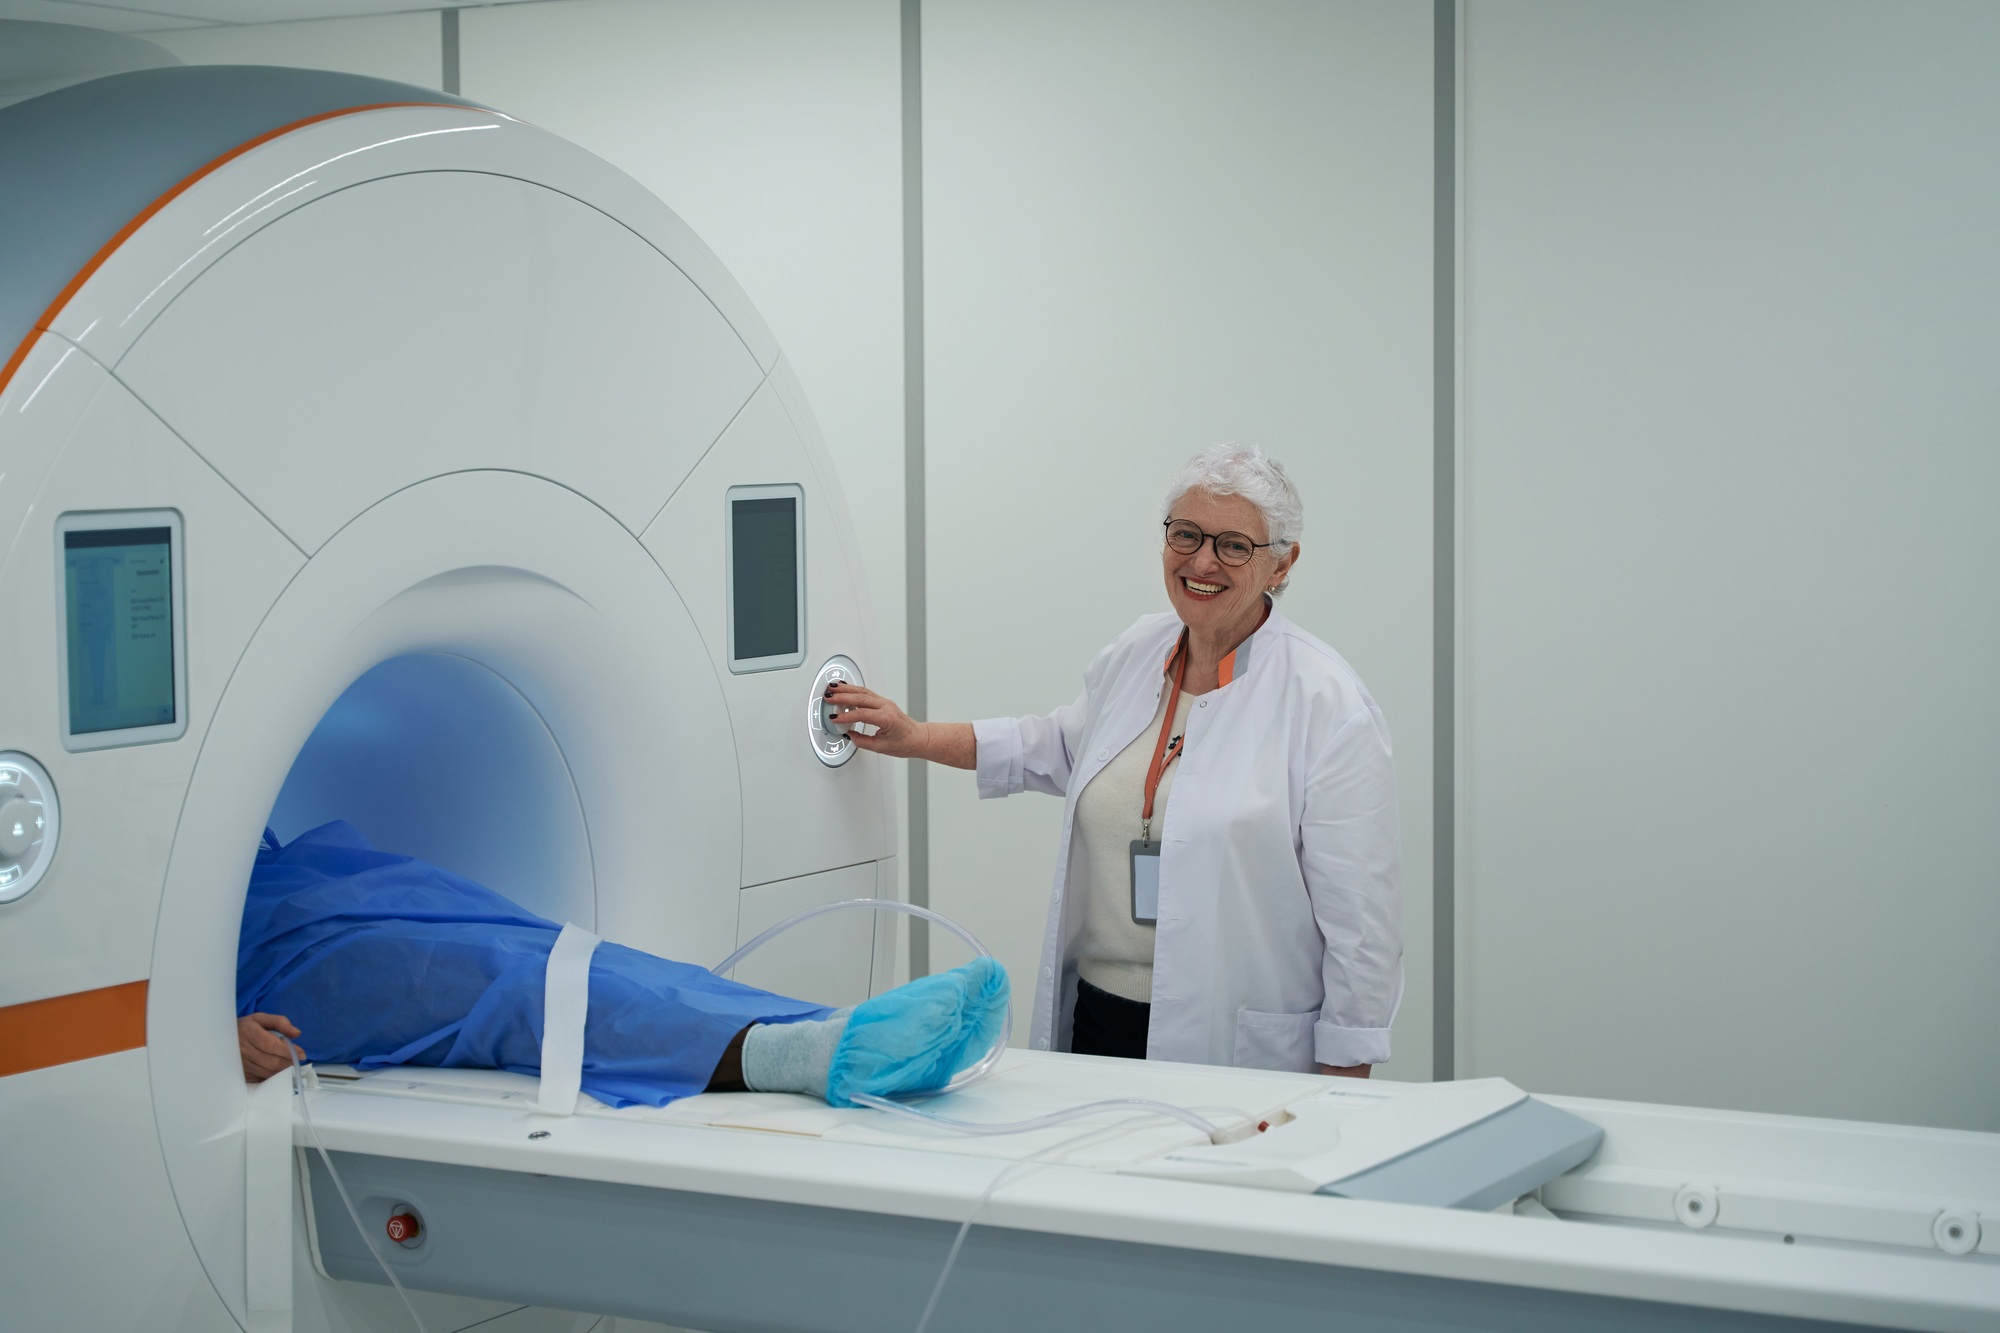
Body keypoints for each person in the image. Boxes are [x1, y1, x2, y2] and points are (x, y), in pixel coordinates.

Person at [828, 444, 1399, 1076]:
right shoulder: (1139, 652)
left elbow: (1362, 928)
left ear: (1282, 564)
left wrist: (1346, 1082)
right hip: (1100, 1021)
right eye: (1186, 535)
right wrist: (914, 736)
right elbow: (1055, 746)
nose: (1203, 560)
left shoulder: (1325, 700)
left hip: (1235, 1043)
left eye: (1234, 545)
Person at [236, 821, 1007, 1107]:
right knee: (494, 975)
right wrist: (200, 1028)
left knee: (552, 947)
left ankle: (821, 1023)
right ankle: (801, 1053)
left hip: (301, 876)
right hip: (260, 962)